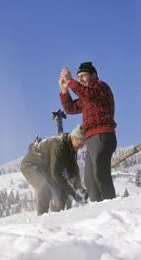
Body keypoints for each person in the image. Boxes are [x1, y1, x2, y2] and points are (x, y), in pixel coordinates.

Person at [59, 62, 117, 202]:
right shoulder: (86, 96)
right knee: (90, 180)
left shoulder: (100, 87)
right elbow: (71, 108)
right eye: (79, 77)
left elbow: (88, 94)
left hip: (103, 135)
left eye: (83, 75)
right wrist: (65, 91)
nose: (81, 79)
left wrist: (71, 81)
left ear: (93, 75)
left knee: (100, 174)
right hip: (90, 138)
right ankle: (99, 212)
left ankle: (111, 205)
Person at [20, 125, 87, 215]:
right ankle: (41, 219)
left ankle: (57, 218)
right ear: (74, 138)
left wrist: (80, 190)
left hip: (45, 170)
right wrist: (73, 193)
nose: (80, 147)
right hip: (30, 166)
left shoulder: (71, 149)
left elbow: (73, 172)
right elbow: (56, 174)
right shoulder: (59, 146)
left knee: (62, 193)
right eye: (79, 144)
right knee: (44, 187)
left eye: (82, 145)